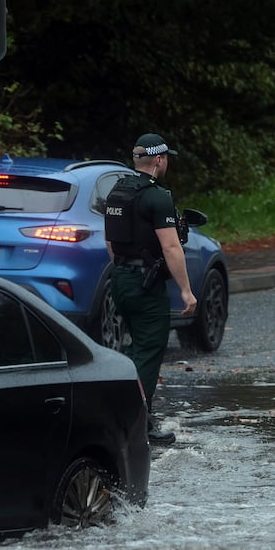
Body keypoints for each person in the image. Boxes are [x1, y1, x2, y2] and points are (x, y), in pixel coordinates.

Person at [104, 132, 198, 445]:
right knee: (148, 352)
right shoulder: (157, 197)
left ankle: (121, 415)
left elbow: (110, 242)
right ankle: (137, 426)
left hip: (120, 280)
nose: (167, 162)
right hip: (145, 286)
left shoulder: (118, 191)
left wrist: (124, 270)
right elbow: (171, 247)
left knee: (134, 350)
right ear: (158, 160)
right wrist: (186, 291)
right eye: (166, 158)